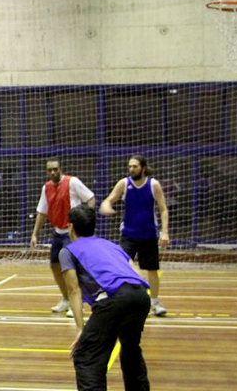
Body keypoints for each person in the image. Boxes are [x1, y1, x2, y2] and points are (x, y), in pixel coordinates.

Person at [62, 205, 151, 391]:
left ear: (70, 227)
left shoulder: (68, 251)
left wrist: (80, 329)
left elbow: (74, 291)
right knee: (130, 349)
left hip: (115, 299)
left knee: (86, 356)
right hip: (141, 296)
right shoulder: (112, 246)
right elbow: (135, 273)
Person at [100, 155, 169, 317]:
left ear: (143, 168)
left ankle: (154, 302)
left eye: (135, 166)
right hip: (128, 235)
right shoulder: (124, 183)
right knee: (119, 265)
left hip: (148, 234)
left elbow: (163, 209)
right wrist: (106, 206)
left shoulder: (153, 185)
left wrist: (164, 232)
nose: (132, 169)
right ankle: (114, 297)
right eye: (130, 166)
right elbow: (108, 200)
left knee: (152, 269)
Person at [30, 159, 95, 317]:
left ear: (61, 169)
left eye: (55, 169)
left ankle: (77, 303)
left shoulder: (73, 182)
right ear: (46, 172)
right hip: (58, 232)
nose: (53, 172)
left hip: (72, 233)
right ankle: (66, 298)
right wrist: (34, 234)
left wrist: (86, 220)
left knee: (71, 269)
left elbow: (90, 198)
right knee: (54, 265)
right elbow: (42, 212)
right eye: (50, 170)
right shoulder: (46, 188)